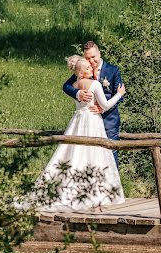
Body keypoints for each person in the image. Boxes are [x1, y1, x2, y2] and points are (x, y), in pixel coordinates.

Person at [38, 56, 126, 211]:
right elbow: (104, 104)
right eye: (87, 67)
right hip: (92, 121)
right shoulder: (94, 84)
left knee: (75, 152)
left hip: (78, 121)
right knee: (95, 153)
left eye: (91, 65)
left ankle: (73, 189)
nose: (91, 68)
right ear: (80, 72)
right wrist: (119, 94)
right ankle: (97, 192)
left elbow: (71, 87)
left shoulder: (76, 83)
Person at [63, 41, 123, 167]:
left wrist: (102, 109)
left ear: (99, 54)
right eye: (87, 58)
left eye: (93, 57)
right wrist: (78, 93)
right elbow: (66, 86)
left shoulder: (113, 70)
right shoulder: (84, 70)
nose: (91, 61)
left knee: (109, 156)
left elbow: (120, 96)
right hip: (89, 122)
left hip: (109, 121)